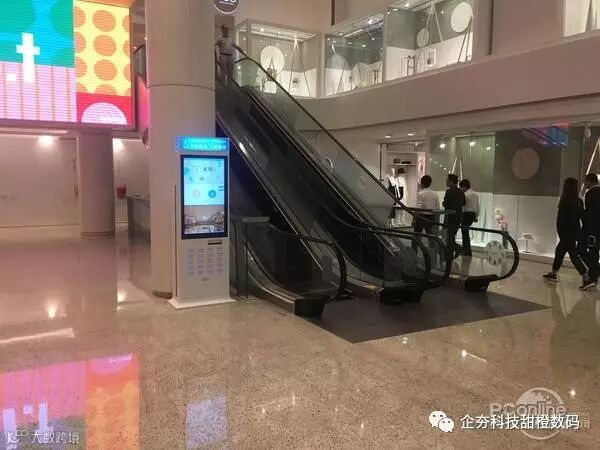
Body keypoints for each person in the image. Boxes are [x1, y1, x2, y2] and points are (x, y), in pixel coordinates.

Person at [543, 178, 588, 282]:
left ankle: (586, 276)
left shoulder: (565, 200)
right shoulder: (579, 201)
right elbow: (580, 217)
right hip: (573, 232)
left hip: (565, 233)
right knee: (560, 252)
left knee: (572, 255)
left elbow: (561, 219)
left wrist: (561, 234)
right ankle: (553, 273)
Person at [579, 173, 600, 290]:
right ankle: (593, 277)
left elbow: (590, 213)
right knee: (594, 252)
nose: (584, 184)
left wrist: (581, 213)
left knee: (582, 250)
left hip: (591, 229)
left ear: (590, 181)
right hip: (597, 229)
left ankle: (594, 273)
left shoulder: (591, 193)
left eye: (585, 181)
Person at [443, 174, 465, 258]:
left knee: (449, 237)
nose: (446, 181)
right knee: (451, 236)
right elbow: (463, 203)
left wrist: (444, 203)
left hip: (450, 216)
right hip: (458, 216)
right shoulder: (461, 192)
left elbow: (446, 203)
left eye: (447, 180)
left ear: (451, 182)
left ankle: (456, 250)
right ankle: (451, 254)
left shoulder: (449, 192)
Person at [459, 179, 480, 257]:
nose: (461, 189)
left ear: (464, 186)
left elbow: (463, 206)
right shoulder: (475, 194)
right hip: (473, 214)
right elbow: (478, 206)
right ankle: (467, 250)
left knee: (464, 233)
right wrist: (476, 216)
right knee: (466, 232)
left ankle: (466, 251)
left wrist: (460, 216)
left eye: (461, 187)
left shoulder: (465, 194)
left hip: (466, 214)